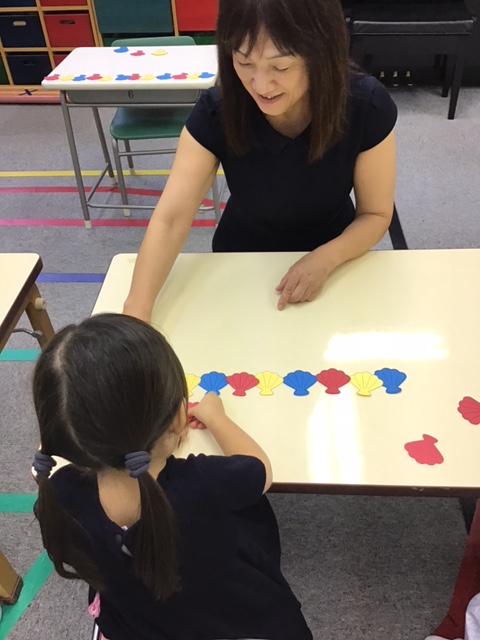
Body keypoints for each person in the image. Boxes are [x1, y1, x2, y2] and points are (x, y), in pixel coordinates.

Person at [31, 313, 313, 640]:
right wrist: (215, 416)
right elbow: (259, 468)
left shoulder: (59, 494)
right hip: (237, 623)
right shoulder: (206, 484)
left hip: (134, 625)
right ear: (179, 418)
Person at [123, 0, 397, 320]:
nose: (261, 86)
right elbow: (170, 219)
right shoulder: (219, 111)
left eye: (280, 67)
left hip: (338, 256)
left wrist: (324, 260)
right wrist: (136, 311)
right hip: (240, 259)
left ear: (321, 53)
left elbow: (376, 214)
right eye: (244, 62)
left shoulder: (364, 104)